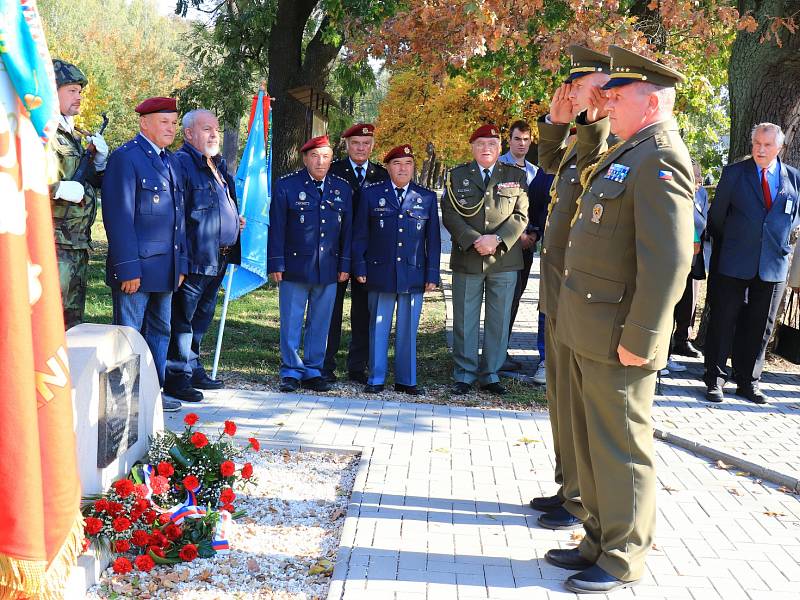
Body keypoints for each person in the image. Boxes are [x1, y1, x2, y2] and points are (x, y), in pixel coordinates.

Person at [548, 46, 694, 593]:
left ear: (651, 102)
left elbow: (670, 259)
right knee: (590, 444)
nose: (608, 100)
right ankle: (597, 538)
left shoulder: (662, 155)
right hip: (589, 325)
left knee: (622, 449)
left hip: (620, 337)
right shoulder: (629, 150)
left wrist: (646, 336)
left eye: (618, 94)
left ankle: (624, 556)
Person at [530, 45, 612, 531]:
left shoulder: (605, 146)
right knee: (561, 402)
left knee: (578, 406)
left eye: (578, 89)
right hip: (561, 290)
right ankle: (569, 487)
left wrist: (585, 120)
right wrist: (555, 120)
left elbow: (584, 163)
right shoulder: (585, 141)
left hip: (581, 295)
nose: (569, 95)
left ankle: (581, 498)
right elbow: (550, 162)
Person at [102, 97, 189, 412]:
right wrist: (127, 268)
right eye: (164, 122)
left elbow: (178, 218)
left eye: (174, 122)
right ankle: (124, 400)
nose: (171, 128)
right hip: (136, 269)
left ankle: (153, 392)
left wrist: (182, 264)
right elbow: (118, 216)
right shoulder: (126, 158)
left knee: (161, 331)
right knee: (129, 332)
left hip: (165, 268)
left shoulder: (171, 161)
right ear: (144, 123)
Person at [703, 123, 800, 404]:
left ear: (780, 148)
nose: (760, 149)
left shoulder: (793, 178)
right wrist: (733, 244)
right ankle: (715, 379)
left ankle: (748, 381)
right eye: (757, 143)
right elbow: (717, 217)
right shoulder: (735, 174)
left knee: (760, 327)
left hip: (773, 264)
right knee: (723, 321)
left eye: (767, 145)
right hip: (734, 260)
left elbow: (792, 219)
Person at [164, 109, 245, 402]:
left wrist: (233, 219)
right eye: (206, 129)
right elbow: (178, 217)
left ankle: (193, 366)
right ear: (188, 134)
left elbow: (216, 205)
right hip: (196, 256)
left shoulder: (218, 165)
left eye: (217, 129)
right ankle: (175, 377)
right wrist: (181, 261)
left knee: (201, 317)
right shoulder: (181, 164)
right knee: (181, 319)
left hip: (220, 255)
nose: (214, 135)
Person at [441, 124, 528, 395]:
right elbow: (450, 213)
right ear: (472, 147)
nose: (486, 149)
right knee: (465, 318)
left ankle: (491, 373)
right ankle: (464, 374)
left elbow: (520, 214)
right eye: (480, 144)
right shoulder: (457, 176)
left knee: (499, 319)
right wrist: (474, 239)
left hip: (504, 258)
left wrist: (497, 239)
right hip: (469, 256)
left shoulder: (515, 175)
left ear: (500, 148)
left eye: (492, 144)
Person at [352, 144, 440, 394]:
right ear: (388, 167)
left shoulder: (426, 197)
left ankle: (406, 380)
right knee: (378, 325)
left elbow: (432, 241)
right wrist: (359, 265)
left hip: (414, 273)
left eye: (408, 164)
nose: (403, 168)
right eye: (397, 164)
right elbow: (360, 235)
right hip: (379, 272)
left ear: (413, 168)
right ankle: (376, 378)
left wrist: (432, 274)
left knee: (408, 329)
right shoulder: (371, 194)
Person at [267, 135, 352, 393]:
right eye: (315, 156)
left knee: (321, 321)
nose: (320, 161)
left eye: (325, 157)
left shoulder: (342, 188)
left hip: (328, 267)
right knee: (291, 321)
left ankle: (313, 370)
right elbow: (277, 228)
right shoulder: (287, 186)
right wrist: (276, 263)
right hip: (295, 267)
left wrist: (345, 264)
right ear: (305, 158)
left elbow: (347, 231)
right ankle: (291, 370)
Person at [323, 123, 389, 385]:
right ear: (347, 145)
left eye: (366, 144)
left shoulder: (381, 175)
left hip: (367, 253)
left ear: (372, 146)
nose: (361, 148)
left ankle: (357, 366)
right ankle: (325, 364)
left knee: (364, 312)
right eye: (356, 144)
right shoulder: (334, 171)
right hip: (335, 250)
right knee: (330, 310)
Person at [50, 59, 108, 330]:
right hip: (51, 245)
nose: (79, 97)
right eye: (72, 90)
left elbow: (86, 184)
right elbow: (18, 180)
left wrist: (99, 164)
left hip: (76, 246)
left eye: (80, 91)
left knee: (72, 325)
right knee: (48, 323)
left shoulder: (73, 133)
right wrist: (57, 189)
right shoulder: (41, 132)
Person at [498, 120, 553, 384]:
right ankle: (495, 352)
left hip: (527, 245)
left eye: (526, 139)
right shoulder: (497, 166)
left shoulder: (537, 172)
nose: (522, 143)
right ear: (509, 140)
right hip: (502, 245)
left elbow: (542, 208)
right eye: (517, 139)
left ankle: (503, 349)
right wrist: (514, 234)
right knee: (500, 298)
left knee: (516, 296)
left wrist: (534, 234)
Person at [661, 160, 709, 376]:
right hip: (671, 259)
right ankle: (662, 355)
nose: (697, 181)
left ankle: (677, 344)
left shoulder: (701, 195)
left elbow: (704, 221)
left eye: (698, 177)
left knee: (685, 306)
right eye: (693, 176)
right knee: (667, 308)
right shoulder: (672, 190)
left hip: (693, 260)